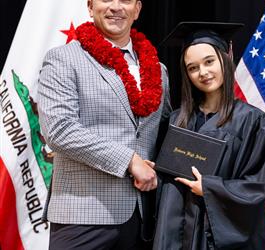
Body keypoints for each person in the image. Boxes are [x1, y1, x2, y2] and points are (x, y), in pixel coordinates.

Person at [37, 0, 171, 249]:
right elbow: (60, 130)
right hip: (83, 217)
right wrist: (130, 161)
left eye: (125, 0)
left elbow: (166, 131)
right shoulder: (63, 59)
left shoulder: (158, 70)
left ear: (138, 9)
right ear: (89, 7)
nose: (116, 7)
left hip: (144, 218)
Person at [153, 22, 265, 250]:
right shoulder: (177, 120)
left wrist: (209, 188)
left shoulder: (254, 122)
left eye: (209, 61)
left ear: (225, 57)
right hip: (176, 235)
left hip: (217, 238)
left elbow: (258, 186)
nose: (203, 72)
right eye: (192, 67)